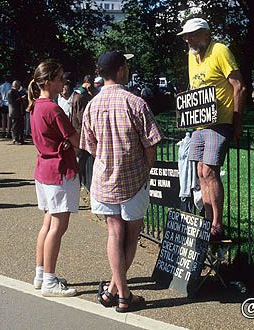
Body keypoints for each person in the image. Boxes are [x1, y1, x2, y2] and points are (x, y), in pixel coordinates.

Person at [80, 50, 162, 312]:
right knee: (132, 233)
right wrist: (145, 169)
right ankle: (123, 296)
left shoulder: (91, 105)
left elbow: (90, 146)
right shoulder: (135, 103)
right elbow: (151, 145)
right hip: (134, 178)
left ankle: (114, 291)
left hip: (104, 179)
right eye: (125, 66)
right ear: (120, 70)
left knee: (114, 232)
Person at [177, 18, 246, 240]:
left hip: (220, 122)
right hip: (199, 124)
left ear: (206, 34)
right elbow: (194, 89)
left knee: (209, 171)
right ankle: (207, 220)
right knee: (199, 172)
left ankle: (217, 223)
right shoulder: (191, 55)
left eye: (193, 35)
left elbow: (239, 86)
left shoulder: (220, 50)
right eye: (186, 36)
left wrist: (236, 122)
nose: (188, 39)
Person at [27, 60, 80, 297]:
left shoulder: (36, 106)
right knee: (58, 226)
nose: (63, 83)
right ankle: (49, 279)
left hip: (44, 169)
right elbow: (76, 139)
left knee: (48, 223)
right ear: (48, 81)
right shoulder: (53, 108)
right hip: (59, 170)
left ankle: (41, 274)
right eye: (59, 79)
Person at [8, 80, 26, 144]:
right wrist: (21, 98)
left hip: (20, 111)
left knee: (21, 126)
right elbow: (12, 102)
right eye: (18, 85)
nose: (19, 87)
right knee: (15, 126)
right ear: (15, 85)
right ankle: (15, 139)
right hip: (14, 112)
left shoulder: (17, 92)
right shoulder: (11, 92)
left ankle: (21, 139)